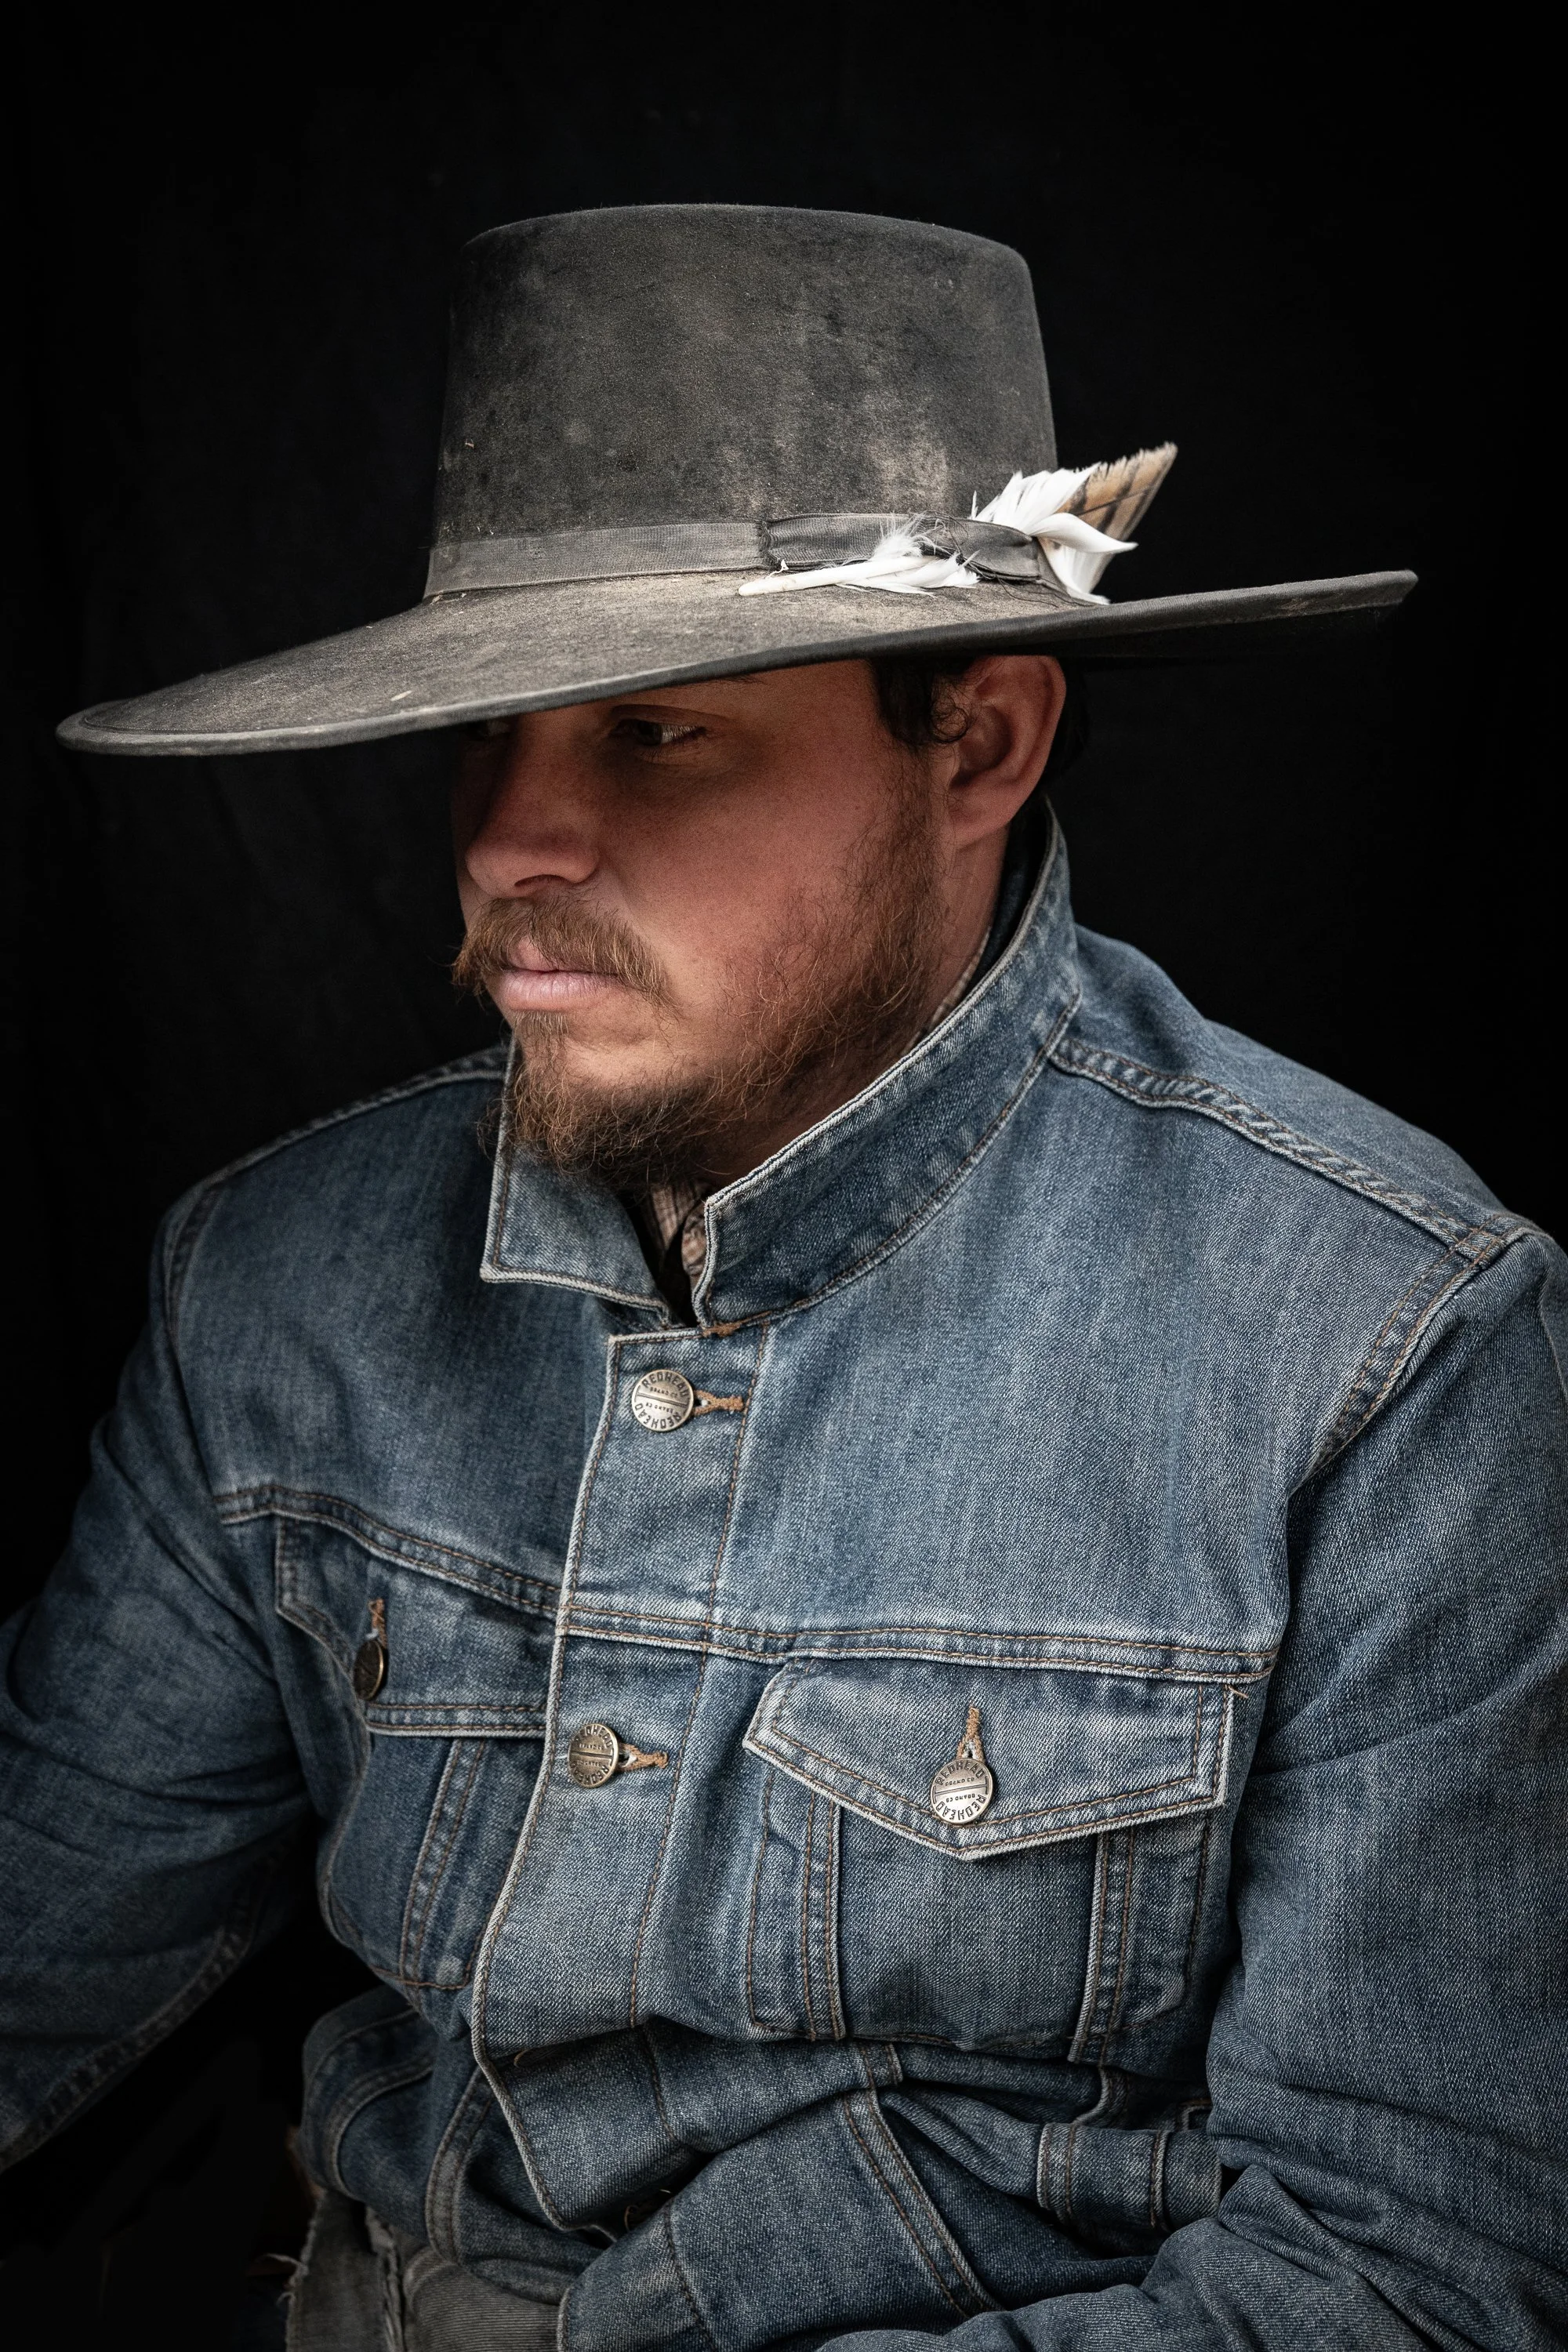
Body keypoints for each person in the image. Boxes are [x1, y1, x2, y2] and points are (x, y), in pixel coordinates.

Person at [5, 205, 1562, 2350]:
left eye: (656, 734)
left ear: (982, 745)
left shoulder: (1383, 1349)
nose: (506, 846)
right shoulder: (273, 1283)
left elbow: (1407, 2280)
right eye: (487, 734)